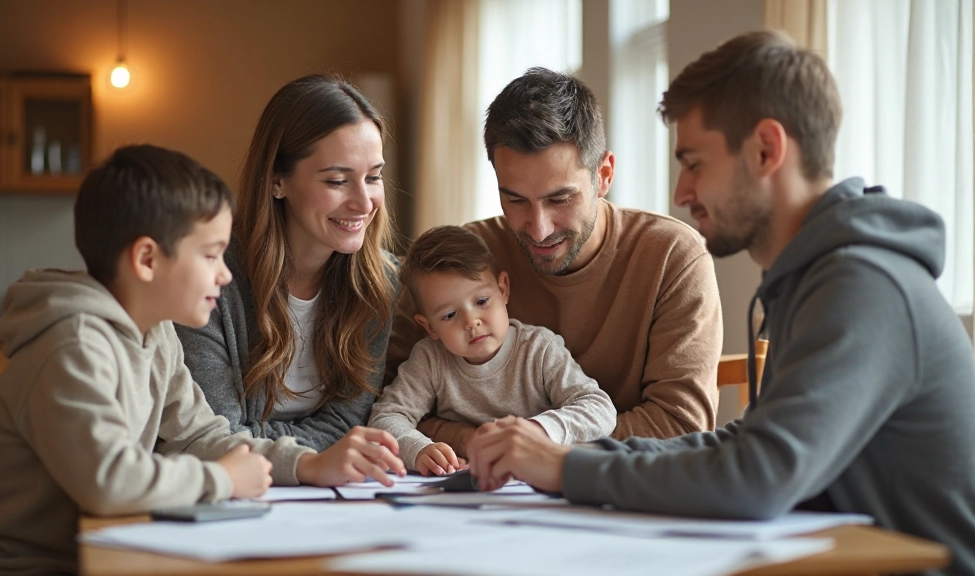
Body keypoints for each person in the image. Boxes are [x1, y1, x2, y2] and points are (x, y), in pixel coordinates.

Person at [466, 31, 975, 576]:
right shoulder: (819, 277)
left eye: (693, 162)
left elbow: (758, 476)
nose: (681, 191)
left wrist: (566, 468)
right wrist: (569, 458)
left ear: (765, 150)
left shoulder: (864, 285)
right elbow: (746, 446)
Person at [0, 145, 405, 574]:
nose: (225, 273)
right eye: (210, 255)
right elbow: (109, 482)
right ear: (147, 259)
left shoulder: (156, 332)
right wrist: (223, 481)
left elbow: (199, 435)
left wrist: (305, 464)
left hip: (103, 553)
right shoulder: (72, 346)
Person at [387, 68, 723, 455]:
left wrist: (536, 450)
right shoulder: (464, 260)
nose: (540, 229)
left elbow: (680, 425)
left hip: (620, 491)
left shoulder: (672, 257)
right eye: (515, 200)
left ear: (605, 174)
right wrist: (471, 440)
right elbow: (389, 405)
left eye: (560, 199)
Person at [176, 75, 399, 451]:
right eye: (337, 181)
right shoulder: (209, 279)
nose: (364, 203)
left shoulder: (380, 280)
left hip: (325, 489)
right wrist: (311, 459)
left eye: (373, 177)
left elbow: (349, 422)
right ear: (278, 181)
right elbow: (216, 435)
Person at [369, 226, 616, 475]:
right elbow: (386, 418)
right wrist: (418, 449)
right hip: (465, 483)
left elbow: (600, 409)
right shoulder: (430, 359)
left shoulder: (539, 350)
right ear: (429, 326)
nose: (471, 322)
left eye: (481, 301)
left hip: (536, 477)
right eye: (450, 315)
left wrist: (540, 430)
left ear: (503, 289)